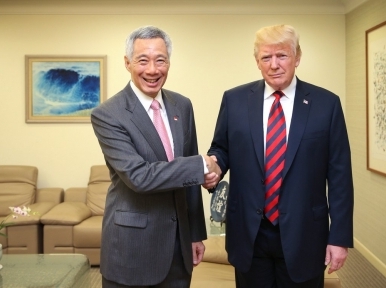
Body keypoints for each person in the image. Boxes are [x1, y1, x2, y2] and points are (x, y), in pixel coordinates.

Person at [205, 24, 354, 287]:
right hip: (250, 232)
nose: (274, 64)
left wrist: (339, 237)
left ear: (297, 57)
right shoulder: (235, 100)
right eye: (266, 57)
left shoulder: (326, 104)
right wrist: (214, 166)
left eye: (282, 55)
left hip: (305, 233)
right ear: (257, 62)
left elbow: (340, 177)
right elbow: (222, 149)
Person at [91, 25, 220, 288]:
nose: (152, 70)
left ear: (169, 63)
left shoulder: (181, 105)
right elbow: (139, 177)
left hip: (178, 248)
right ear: (127, 63)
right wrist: (200, 165)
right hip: (133, 250)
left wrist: (195, 233)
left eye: (160, 60)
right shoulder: (108, 114)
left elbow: (190, 179)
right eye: (142, 60)